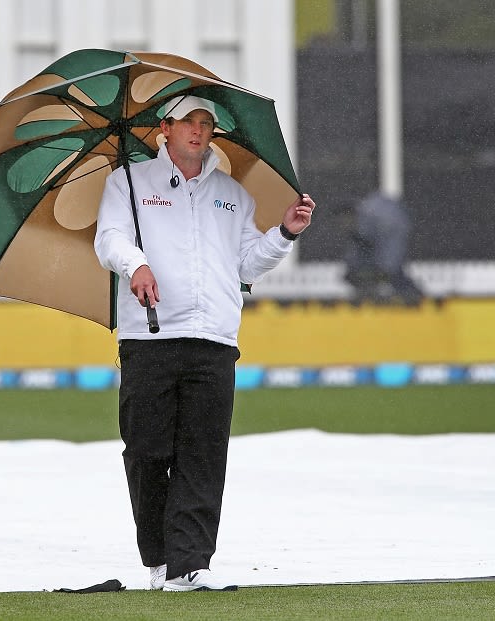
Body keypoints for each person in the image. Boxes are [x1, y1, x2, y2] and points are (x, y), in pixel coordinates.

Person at [94, 95, 315, 592]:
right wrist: (137, 265)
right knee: (147, 452)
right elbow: (109, 239)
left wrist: (284, 232)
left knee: (203, 454)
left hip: (215, 339)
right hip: (150, 337)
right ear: (164, 131)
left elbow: (245, 266)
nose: (197, 131)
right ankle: (158, 557)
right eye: (187, 122)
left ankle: (190, 564)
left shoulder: (232, 194)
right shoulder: (126, 183)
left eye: (206, 123)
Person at [343, 190, 423, 306]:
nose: (344, 224)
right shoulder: (363, 224)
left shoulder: (381, 220)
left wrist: (383, 271)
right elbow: (358, 252)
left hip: (390, 239)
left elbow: (391, 258)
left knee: (392, 276)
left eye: (346, 220)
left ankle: (416, 301)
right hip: (381, 249)